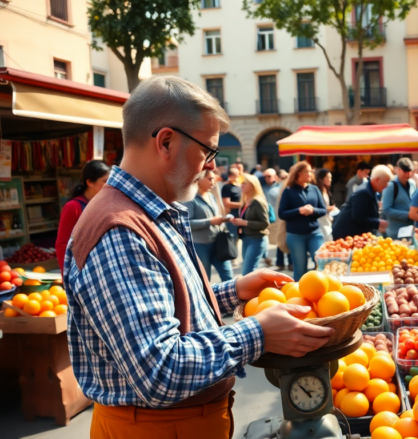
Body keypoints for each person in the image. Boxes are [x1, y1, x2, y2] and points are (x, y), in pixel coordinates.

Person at [64, 76, 333, 438]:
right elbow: (159, 370)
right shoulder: (119, 231)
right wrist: (258, 333)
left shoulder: (149, 211)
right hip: (155, 428)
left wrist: (233, 290)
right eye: (208, 151)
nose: (211, 167)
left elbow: (167, 304)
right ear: (166, 141)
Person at [55, 160, 111, 271]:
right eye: (105, 181)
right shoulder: (73, 207)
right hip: (81, 271)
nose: (109, 186)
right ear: (90, 182)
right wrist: (67, 278)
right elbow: (63, 245)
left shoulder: (106, 205)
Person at [182, 170, 234, 281]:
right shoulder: (190, 199)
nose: (213, 182)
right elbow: (186, 223)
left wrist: (223, 220)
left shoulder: (211, 196)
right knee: (205, 280)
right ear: (199, 179)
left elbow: (215, 215)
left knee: (228, 276)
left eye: (214, 179)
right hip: (200, 246)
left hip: (218, 242)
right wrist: (210, 221)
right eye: (210, 179)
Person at [279, 161, 327, 280]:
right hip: (295, 235)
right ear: (298, 174)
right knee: (300, 269)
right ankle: (298, 296)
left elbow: (323, 210)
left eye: (311, 171)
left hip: (314, 233)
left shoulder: (314, 189)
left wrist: (312, 210)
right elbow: (282, 214)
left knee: (322, 264)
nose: (310, 174)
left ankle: (322, 291)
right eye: (307, 171)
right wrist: (299, 211)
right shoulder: (288, 191)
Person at [332, 165, 391, 239]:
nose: (387, 185)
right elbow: (358, 217)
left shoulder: (370, 190)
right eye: (386, 182)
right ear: (377, 180)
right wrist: (377, 222)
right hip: (347, 235)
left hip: (356, 234)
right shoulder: (363, 192)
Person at [232, 174, 270, 275]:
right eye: (241, 183)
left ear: (253, 185)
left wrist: (245, 223)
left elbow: (265, 223)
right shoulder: (245, 200)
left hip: (257, 239)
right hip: (246, 238)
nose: (242, 185)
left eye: (245, 183)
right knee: (247, 272)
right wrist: (238, 221)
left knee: (247, 272)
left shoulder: (257, 201)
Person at [382, 158, 417, 238]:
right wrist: (408, 215)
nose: (408, 175)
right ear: (398, 170)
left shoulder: (412, 183)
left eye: (409, 172)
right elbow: (386, 209)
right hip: (395, 232)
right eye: (405, 172)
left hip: (411, 231)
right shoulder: (390, 186)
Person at [315, 168, 339, 241]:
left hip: (327, 220)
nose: (330, 180)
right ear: (321, 178)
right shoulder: (317, 190)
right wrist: (327, 209)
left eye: (331, 177)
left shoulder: (326, 190)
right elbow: (315, 207)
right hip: (320, 222)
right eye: (327, 177)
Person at [221, 167, 243, 240]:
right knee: (232, 238)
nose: (238, 177)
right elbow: (227, 203)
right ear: (230, 176)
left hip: (241, 215)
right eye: (236, 175)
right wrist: (242, 204)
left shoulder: (239, 186)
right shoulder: (227, 187)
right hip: (232, 216)